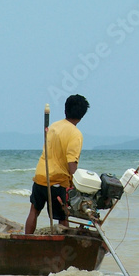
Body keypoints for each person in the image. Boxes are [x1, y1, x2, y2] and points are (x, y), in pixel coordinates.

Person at [25, 94, 90, 234]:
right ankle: (63, 245)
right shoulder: (76, 134)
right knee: (63, 216)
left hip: (41, 175)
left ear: (65, 109)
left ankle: (26, 240)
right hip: (58, 180)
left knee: (34, 211)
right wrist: (76, 184)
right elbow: (71, 162)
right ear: (82, 115)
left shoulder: (53, 126)